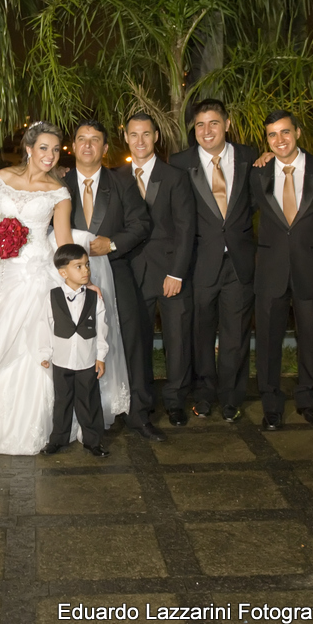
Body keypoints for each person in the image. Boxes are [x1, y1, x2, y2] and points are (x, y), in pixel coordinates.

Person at [0, 122, 74, 454]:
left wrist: (75, 283)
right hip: (3, 275)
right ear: (29, 148)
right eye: (44, 147)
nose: (50, 155)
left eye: (56, 149)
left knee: (35, 349)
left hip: (39, 276)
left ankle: (37, 425)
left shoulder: (59, 192)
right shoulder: (0, 179)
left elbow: (63, 242)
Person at [169, 99, 258, 423]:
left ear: (227, 124)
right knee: (201, 334)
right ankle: (204, 396)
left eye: (214, 123)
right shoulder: (180, 162)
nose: (207, 131)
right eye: (200, 125)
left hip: (239, 262)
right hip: (200, 262)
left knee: (236, 335)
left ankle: (232, 398)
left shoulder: (250, 158)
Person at [62, 120, 150, 439]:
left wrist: (111, 244)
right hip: (67, 281)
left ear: (105, 148)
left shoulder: (121, 182)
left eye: (95, 140)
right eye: (82, 139)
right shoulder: (58, 183)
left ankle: (137, 413)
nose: (88, 145)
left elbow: (141, 224)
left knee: (129, 338)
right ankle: (72, 415)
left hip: (114, 269)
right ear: (73, 146)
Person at [249, 110, 313, 430]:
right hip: (271, 270)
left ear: (297, 132)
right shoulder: (258, 172)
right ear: (266, 140)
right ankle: (271, 404)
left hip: (311, 268)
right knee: (268, 342)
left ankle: (307, 400)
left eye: (285, 132)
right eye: (272, 135)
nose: (279, 140)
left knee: (309, 338)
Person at [114, 113, 195, 428]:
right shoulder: (116, 177)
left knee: (177, 338)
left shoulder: (174, 176)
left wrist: (177, 272)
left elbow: (186, 228)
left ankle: (175, 401)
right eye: (133, 135)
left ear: (156, 136)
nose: (140, 141)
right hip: (131, 272)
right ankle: (141, 401)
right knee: (136, 342)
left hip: (169, 273)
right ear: (126, 138)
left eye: (146, 134)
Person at [40, 244, 110, 458]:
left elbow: (102, 329)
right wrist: (45, 354)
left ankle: (93, 441)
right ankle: (58, 439)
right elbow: (45, 326)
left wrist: (100, 357)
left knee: (89, 401)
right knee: (62, 401)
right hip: (61, 360)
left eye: (87, 265)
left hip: (86, 360)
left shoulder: (94, 298)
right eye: (78, 266)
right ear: (63, 272)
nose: (86, 270)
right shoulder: (52, 297)